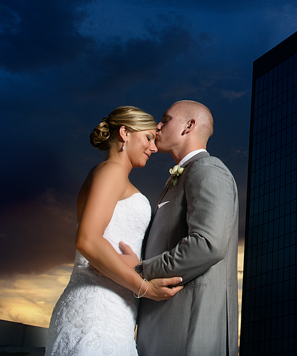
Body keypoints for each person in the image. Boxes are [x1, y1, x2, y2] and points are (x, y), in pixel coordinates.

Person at [46, 106, 183, 356]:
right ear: (124, 133)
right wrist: (145, 287)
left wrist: (135, 264)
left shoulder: (110, 174)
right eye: (148, 138)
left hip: (112, 308)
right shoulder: (111, 171)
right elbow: (88, 241)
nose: (154, 148)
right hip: (98, 309)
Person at [120, 100, 239, 356]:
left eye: (166, 119)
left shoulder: (208, 169)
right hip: (163, 327)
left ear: (189, 126)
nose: (158, 126)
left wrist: (141, 270)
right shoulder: (182, 176)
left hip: (188, 331)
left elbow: (208, 244)